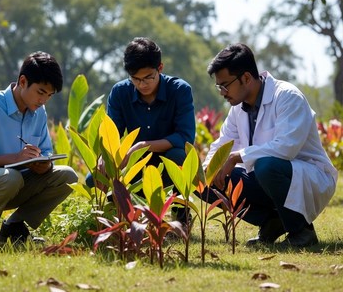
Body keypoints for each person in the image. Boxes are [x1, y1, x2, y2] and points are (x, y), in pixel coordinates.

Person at [198, 43, 338, 247]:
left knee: (266, 165)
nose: (222, 92)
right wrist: (208, 167)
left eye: (225, 85)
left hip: (307, 177)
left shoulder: (288, 96)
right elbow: (222, 144)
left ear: (246, 78)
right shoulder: (238, 109)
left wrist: (236, 157)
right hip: (266, 178)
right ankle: (272, 221)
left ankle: (302, 231)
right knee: (203, 180)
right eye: (219, 86)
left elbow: (285, 148)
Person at [0, 51, 78, 250]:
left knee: (68, 176)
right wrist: (16, 158)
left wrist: (43, 165)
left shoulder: (39, 112)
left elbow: (46, 153)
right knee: (10, 177)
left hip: (14, 183)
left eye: (49, 95)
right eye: (41, 92)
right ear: (23, 81)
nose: (44, 100)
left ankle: (14, 226)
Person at [86, 37, 196, 225]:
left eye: (148, 78)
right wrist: (105, 158)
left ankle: (181, 214)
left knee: (179, 156)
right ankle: (121, 213)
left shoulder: (179, 90)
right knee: (93, 177)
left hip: (166, 163)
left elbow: (185, 137)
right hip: (133, 164)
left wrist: (144, 146)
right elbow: (112, 134)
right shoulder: (120, 92)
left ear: (160, 68)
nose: (142, 84)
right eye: (135, 79)